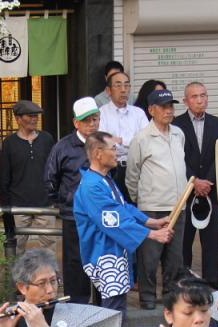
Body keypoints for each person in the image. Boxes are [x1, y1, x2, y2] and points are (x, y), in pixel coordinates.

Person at [74, 131, 172, 317]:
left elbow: (122, 207)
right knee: (114, 311)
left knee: (117, 307)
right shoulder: (92, 185)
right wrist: (151, 234)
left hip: (113, 251)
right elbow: (113, 220)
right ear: (98, 153)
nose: (117, 153)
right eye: (113, 148)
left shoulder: (103, 179)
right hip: (104, 254)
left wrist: (151, 221)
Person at [127, 89, 187, 310]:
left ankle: (170, 293)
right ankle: (148, 297)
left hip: (178, 206)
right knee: (149, 258)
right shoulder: (142, 138)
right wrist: (140, 200)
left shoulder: (178, 134)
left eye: (171, 106)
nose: (169, 110)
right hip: (152, 207)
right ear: (151, 110)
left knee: (174, 257)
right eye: (164, 107)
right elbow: (132, 174)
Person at [45, 97, 101, 303]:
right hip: (74, 215)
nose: (93, 124)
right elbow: (50, 179)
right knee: (75, 262)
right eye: (88, 120)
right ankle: (77, 306)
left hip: (101, 215)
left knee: (101, 259)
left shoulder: (105, 142)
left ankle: (103, 306)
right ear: (76, 123)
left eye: (95, 119)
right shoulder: (63, 147)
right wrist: (64, 201)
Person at [174, 82, 218, 282]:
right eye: (195, 96)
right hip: (186, 189)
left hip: (210, 189)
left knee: (212, 238)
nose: (200, 100)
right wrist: (194, 182)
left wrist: (207, 182)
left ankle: (212, 280)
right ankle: (183, 279)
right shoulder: (176, 125)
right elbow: (178, 157)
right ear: (186, 101)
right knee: (184, 239)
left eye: (203, 95)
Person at [0, 100, 56, 254]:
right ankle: (16, 279)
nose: (34, 119)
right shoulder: (9, 143)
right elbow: (4, 177)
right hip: (18, 204)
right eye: (30, 116)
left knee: (49, 247)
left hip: (44, 203)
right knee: (16, 248)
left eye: (36, 115)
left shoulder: (47, 139)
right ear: (18, 119)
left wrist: (54, 196)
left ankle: (51, 277)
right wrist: (6, 207)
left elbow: (54, 169)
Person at [99, 70, 148, 203]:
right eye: (118, 85)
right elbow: (104, 143)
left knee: (136, 208)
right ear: (108, 91)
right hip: (112, 169)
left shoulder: (139, 113)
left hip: (137, 170)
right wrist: (131, 142)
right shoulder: (102, 113)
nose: (123, 90)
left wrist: (119, 141)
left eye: (126, 86)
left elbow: (145, 143)